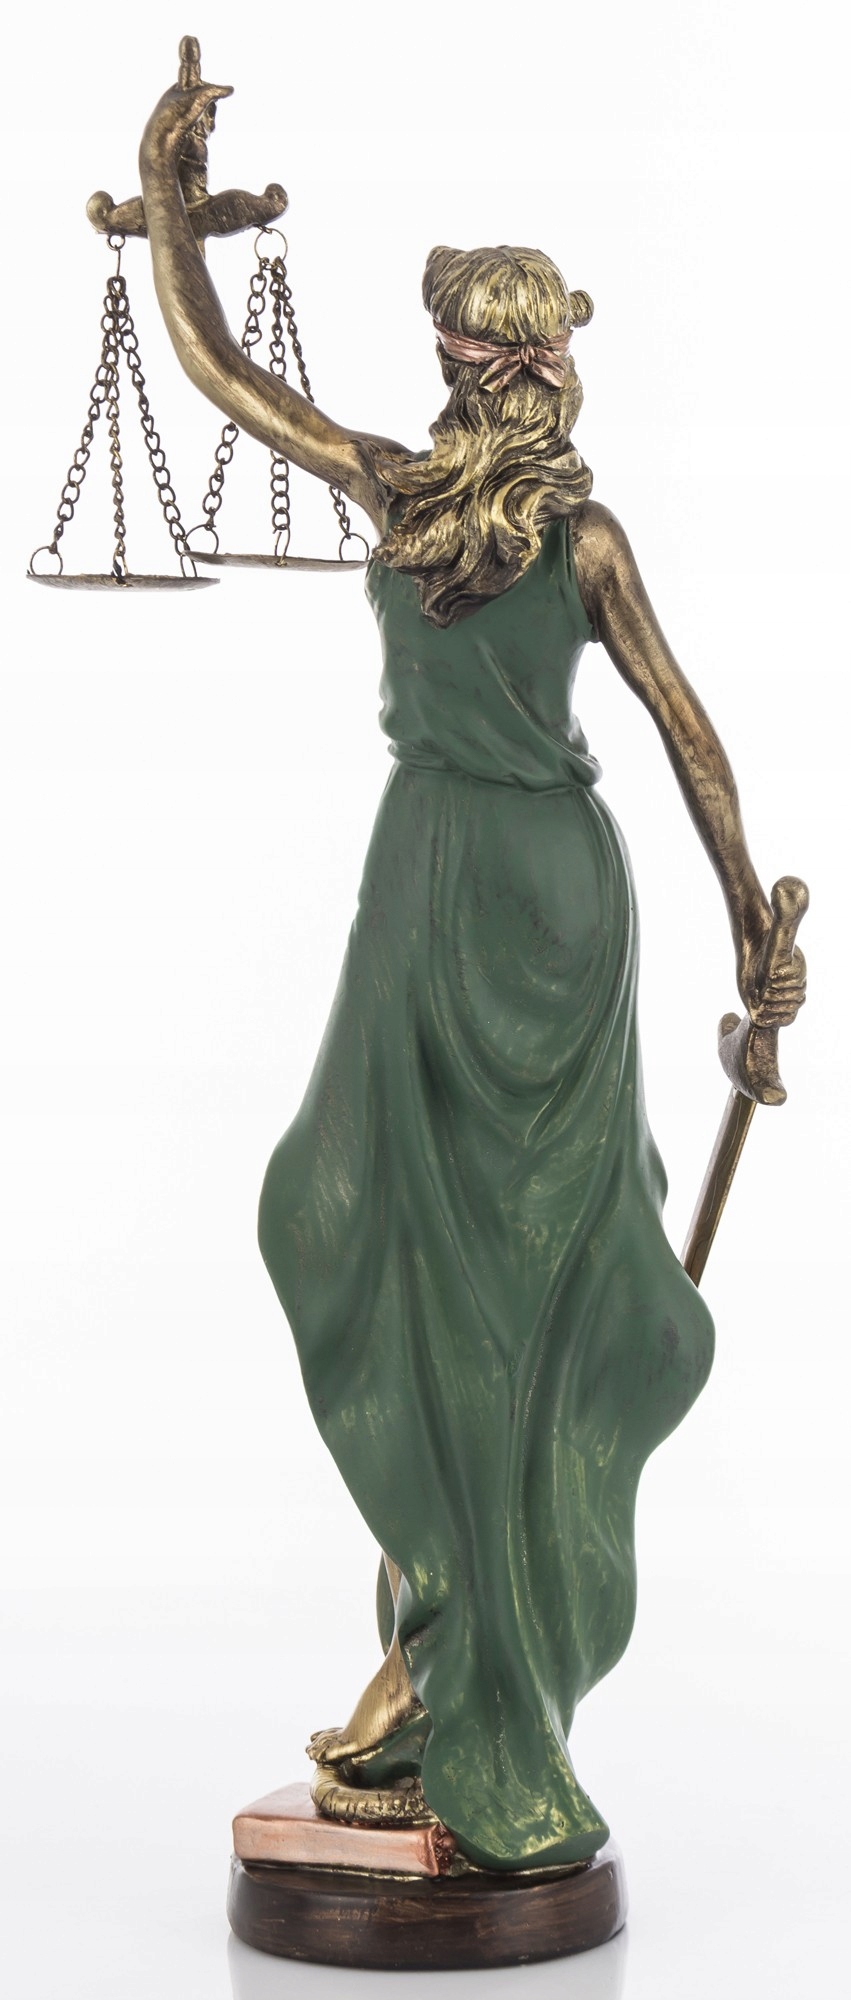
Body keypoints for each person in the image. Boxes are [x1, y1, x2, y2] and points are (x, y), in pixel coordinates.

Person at [140, 81, 806, 1873]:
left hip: (492, 891)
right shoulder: (517, 520)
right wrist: (747, 917)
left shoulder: (454, 505)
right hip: (483, 888)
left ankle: (455, 1672)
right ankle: (442, 1641)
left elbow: (221, 373)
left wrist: (167, 211)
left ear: (459, 361)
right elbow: (692, 741)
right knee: (369, 1223)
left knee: (496, 1283)